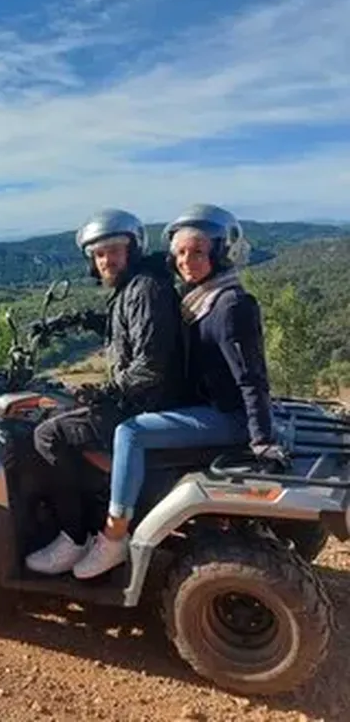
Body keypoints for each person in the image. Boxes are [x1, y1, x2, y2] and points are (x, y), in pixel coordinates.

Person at [71, 203, 288, 580]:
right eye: (181, 252)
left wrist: (262, 441)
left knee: (130, 432)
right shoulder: (199, 297)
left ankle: (114, 535)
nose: (187, 260)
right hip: (208, 406)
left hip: (228, 416)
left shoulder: (231, 305)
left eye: (199, 252)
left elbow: (252, 379)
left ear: (221, 254)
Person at [25, 209, 186, 575]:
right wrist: (75, 320)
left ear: (132, 249)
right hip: (145, 399)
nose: (106, 261)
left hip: (147, 404)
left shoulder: (144, 291)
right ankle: (100, 504)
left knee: (47, 434)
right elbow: (124, 331)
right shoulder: (138, 286)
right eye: (99, 255)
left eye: (113, 251)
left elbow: (150, 366)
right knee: (64, 417)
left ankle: (73, 536)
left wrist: (105, 390)